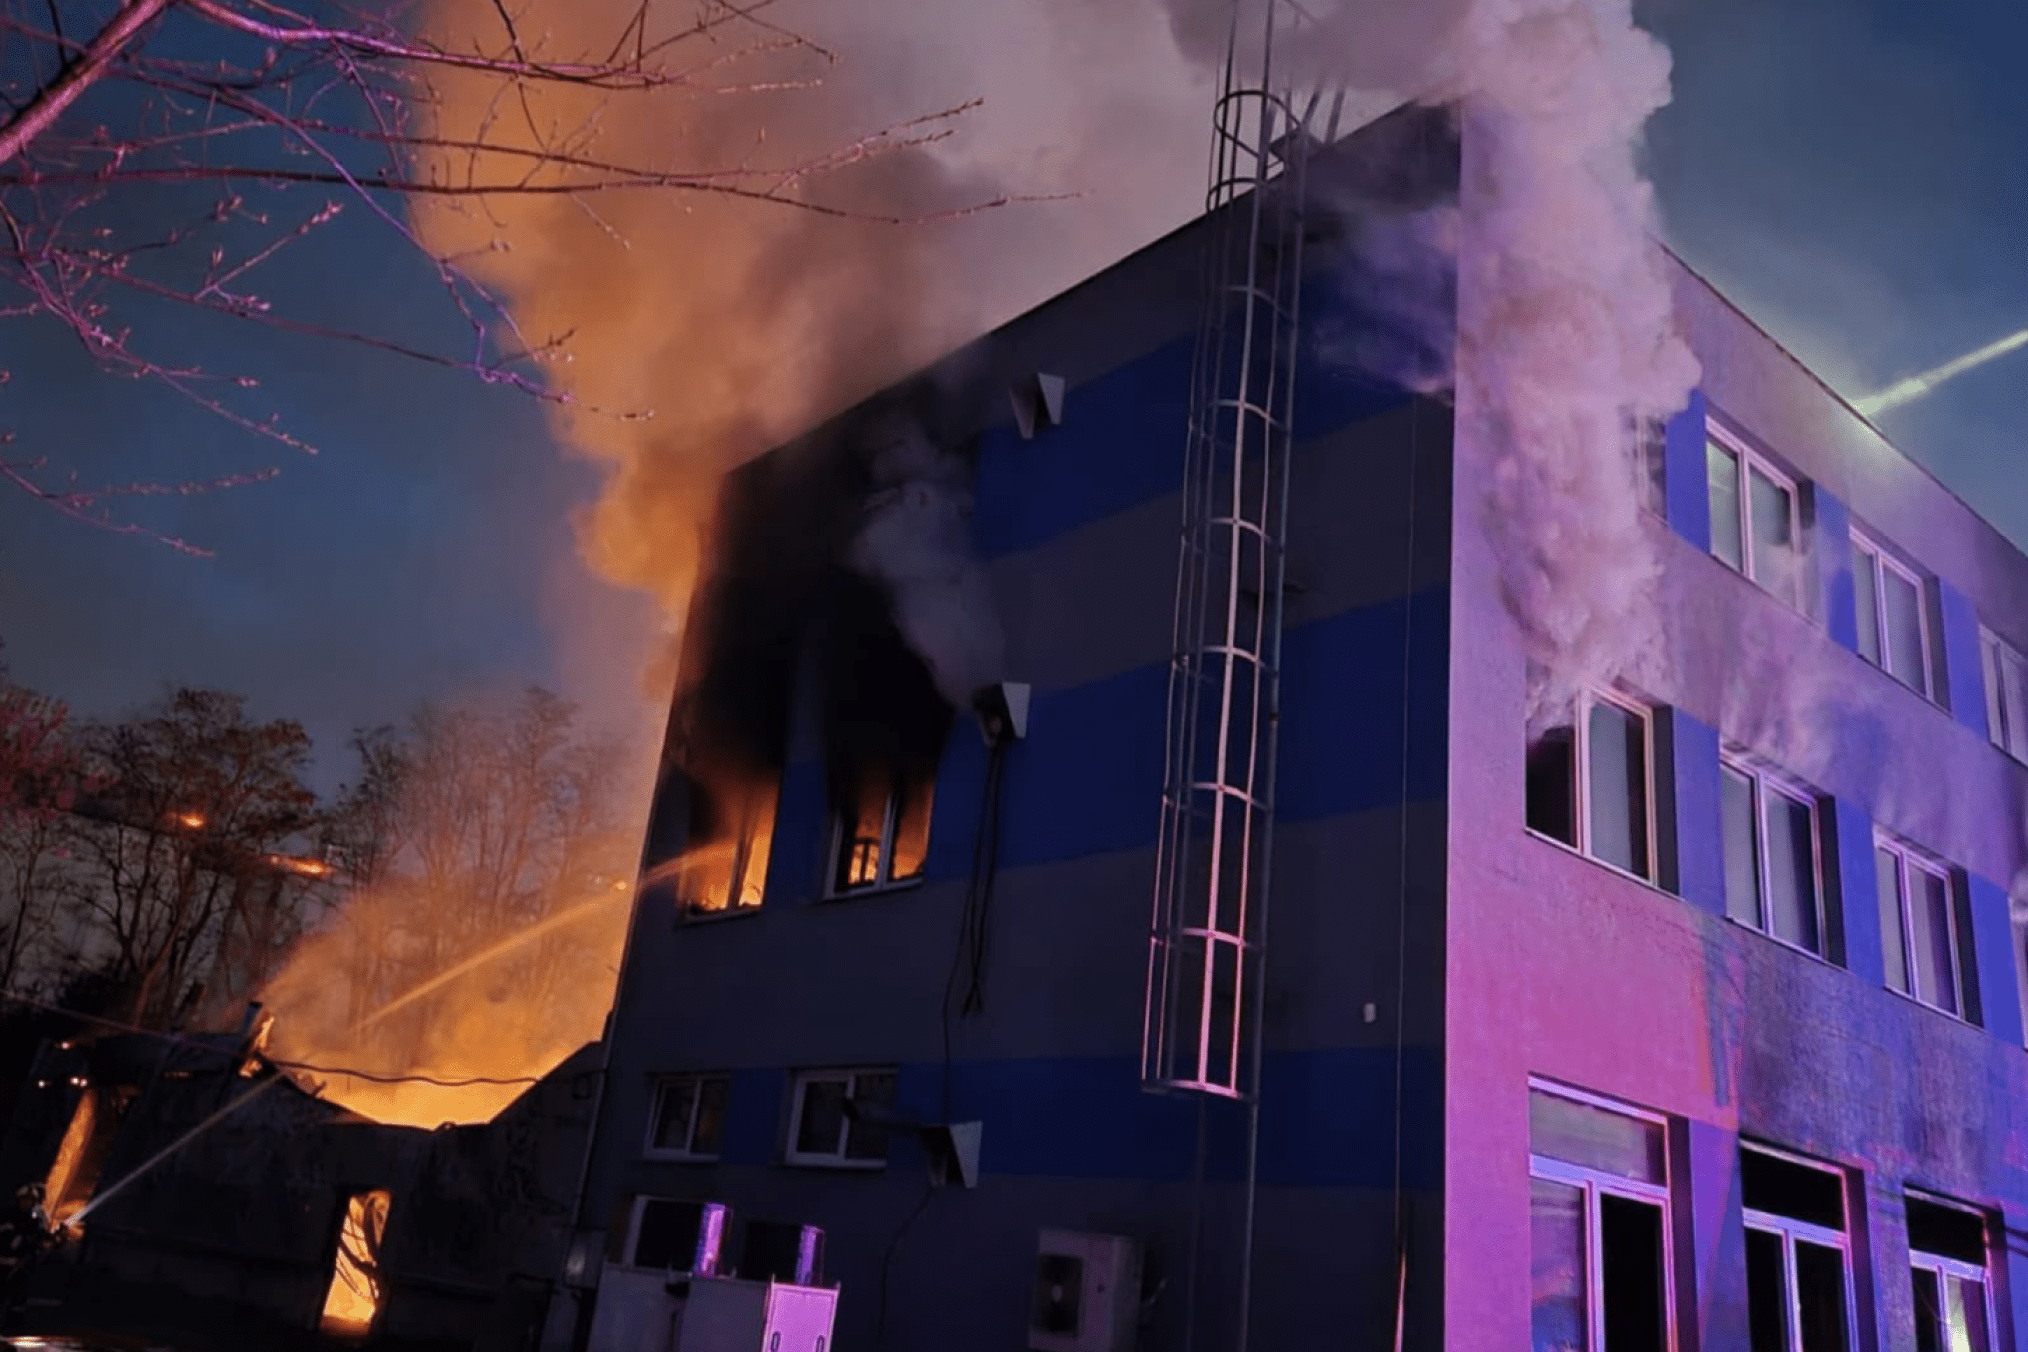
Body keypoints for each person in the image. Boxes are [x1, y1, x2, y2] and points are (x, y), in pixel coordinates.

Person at [0, 1183, 61, 1327]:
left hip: (21, 1268)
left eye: (30, 1200)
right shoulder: (6, 1217)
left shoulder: (34, 1222)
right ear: (18, 1200)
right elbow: (7, 1241)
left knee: (18, 1300)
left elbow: (42, 1242)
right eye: (24, 1199)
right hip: (3, 1266)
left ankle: (13, 1330)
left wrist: (56, 1239)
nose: (27, 1203)